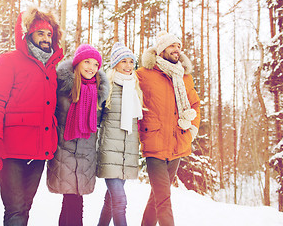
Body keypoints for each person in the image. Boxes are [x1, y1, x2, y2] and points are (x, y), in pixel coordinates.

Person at [0, 5, 63, 226]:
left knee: (25, 208)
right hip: (12, 150)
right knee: (15, 210)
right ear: (28, 34)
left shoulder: (53, 68)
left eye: (49, 34)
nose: (46, 38)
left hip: (39, 152)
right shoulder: (9, 61)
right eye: (40, 33)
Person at [136, 31, 200, 226]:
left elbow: (195, 105)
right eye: (172, 46)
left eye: (179, 46)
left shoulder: (184, 77)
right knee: (163, 199)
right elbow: (133, 103)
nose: (177, 50)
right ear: (161, 49)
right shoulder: (143, 75)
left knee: (157, 196)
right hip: (154, 144)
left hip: (177, 144)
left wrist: (191, 131)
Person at [46, 44, 109, 226]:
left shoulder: (99, 93)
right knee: (73, 202)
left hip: (86, 154)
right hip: (64, 152)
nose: (91, 67)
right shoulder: (62, 88)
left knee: (71, 202)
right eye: (87, 62)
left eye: (96, 64)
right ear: (77, 63)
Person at [96, 42, 144, 226]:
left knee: (111, 201)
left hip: (127, 154)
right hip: (109, 152)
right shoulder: (106, 88)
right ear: (115, 63)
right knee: (120, 201)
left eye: (131, 61)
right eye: (123, 61)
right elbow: (96, 121)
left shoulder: (135, 89)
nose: (128, 66)